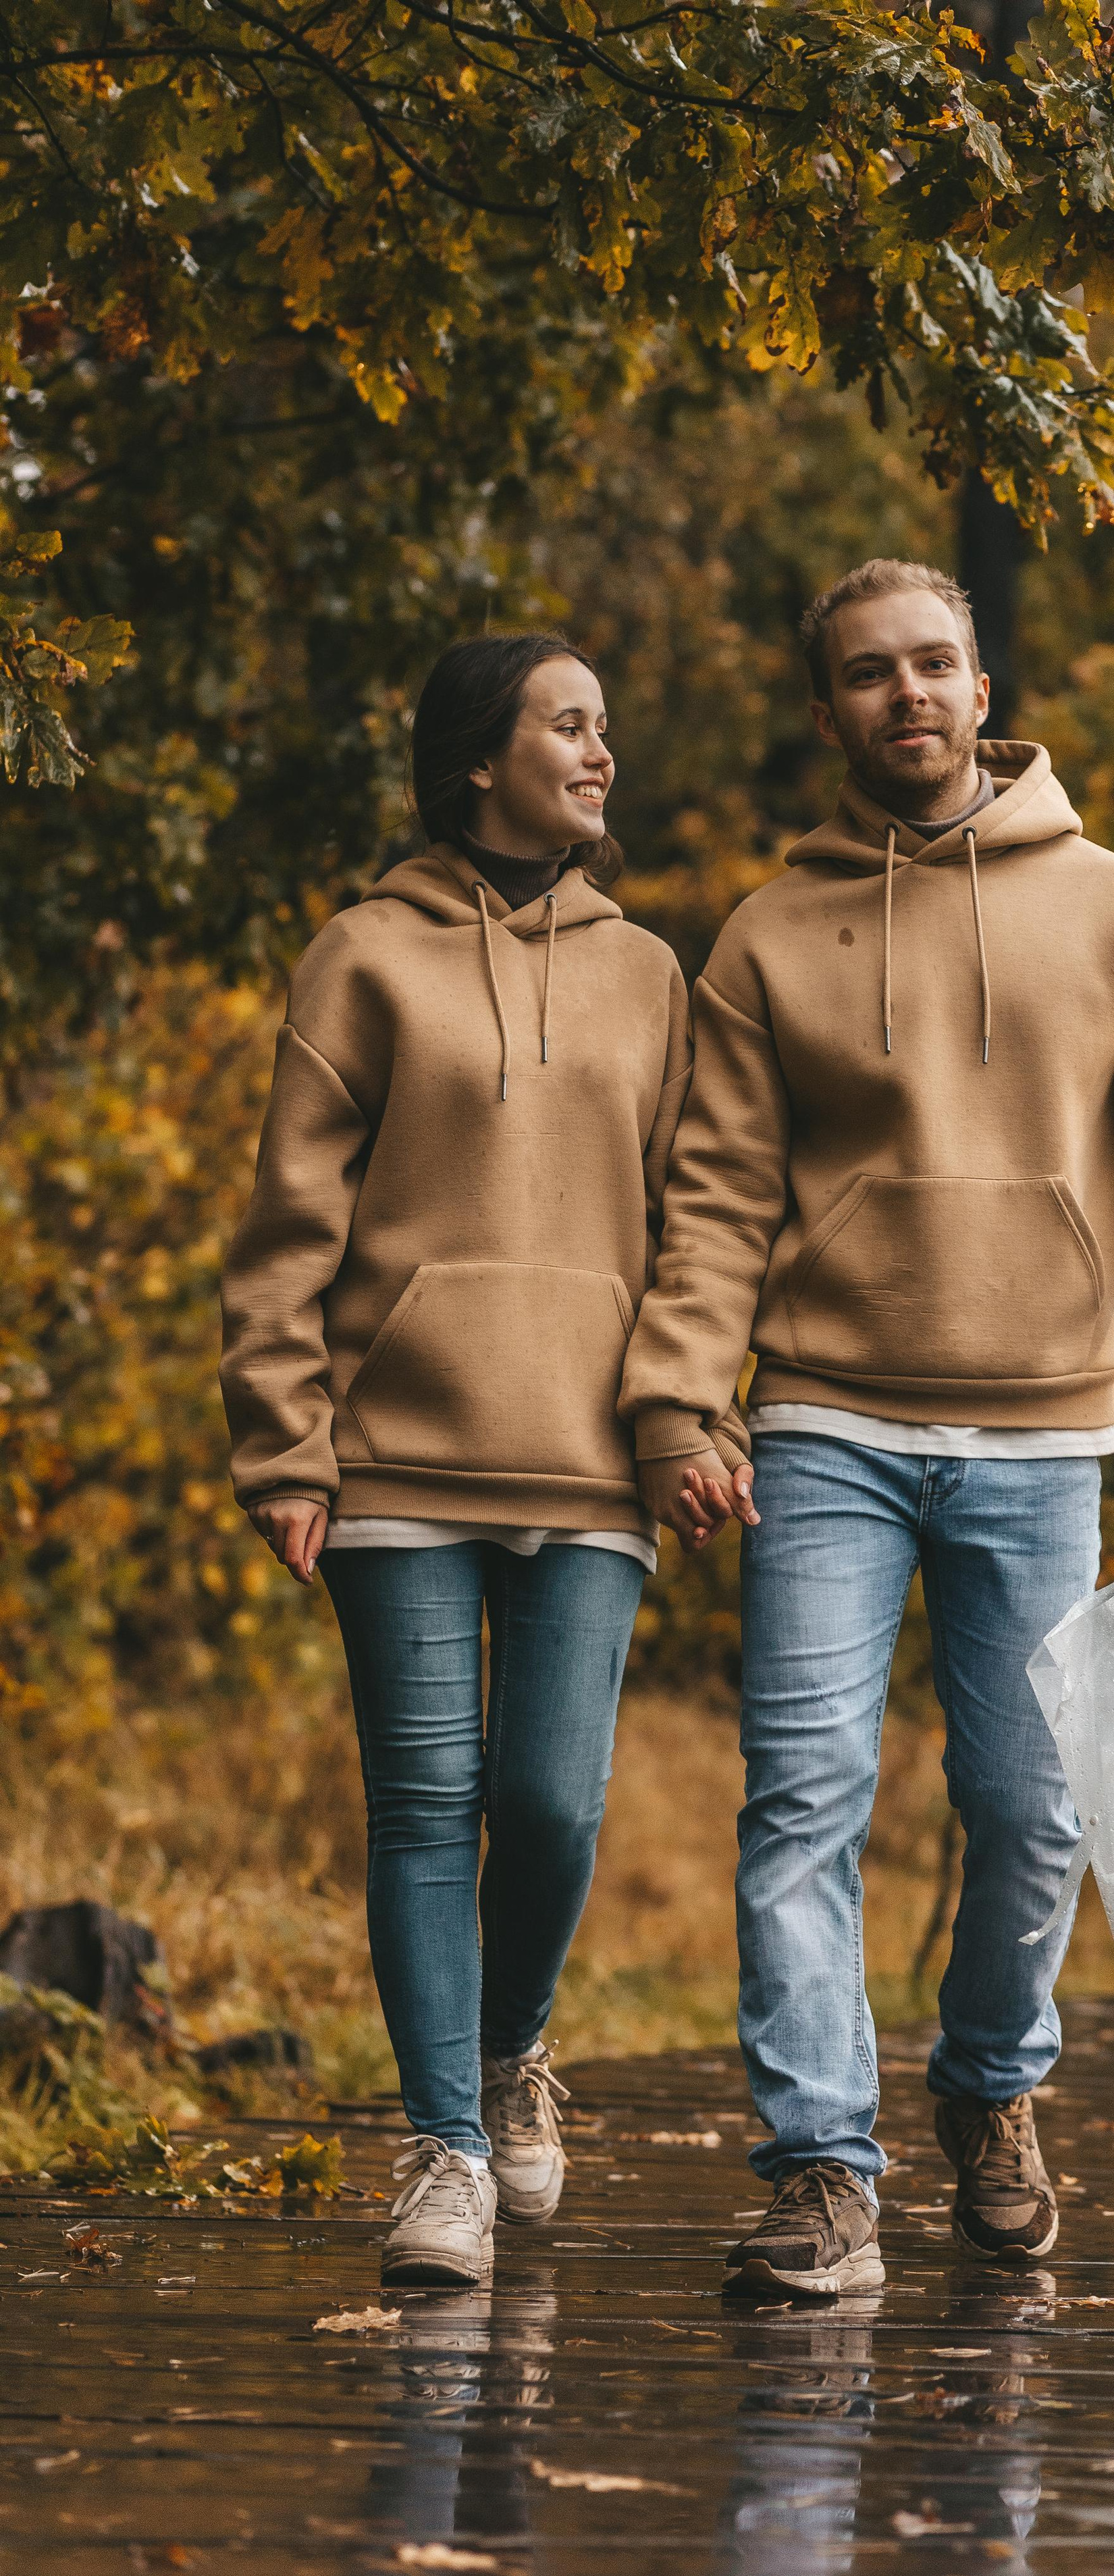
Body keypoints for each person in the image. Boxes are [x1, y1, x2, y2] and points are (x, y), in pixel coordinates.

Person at [619, 559, 1114, 2298]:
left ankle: (992, 2094)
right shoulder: (769, 938)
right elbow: (714, 1201)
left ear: (982, 685)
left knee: (1031, 1813)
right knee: (804, 1802)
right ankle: (820, 2169)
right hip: (824, 1420)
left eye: (933, 664)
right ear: (830, 708)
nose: (906, 695)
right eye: (868, 674)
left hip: (1041, 1436)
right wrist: (679, 1397)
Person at [219, 632, 746, 2287]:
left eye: (605, 724)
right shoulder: (362, 957)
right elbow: (287, 1231)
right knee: (426, 1808)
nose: (602, 753)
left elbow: (699, 1227)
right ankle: (445, 2148)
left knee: (552, 1803)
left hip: (594, 1459)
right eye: (567, 726)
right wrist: (282, 1441)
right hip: (391, 1459)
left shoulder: (651, 973)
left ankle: (514, 2047)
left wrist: (694, 1411)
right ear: (478, 762)